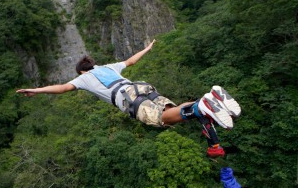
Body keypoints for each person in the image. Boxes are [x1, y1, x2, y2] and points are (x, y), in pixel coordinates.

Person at [16, 40, 241, 157]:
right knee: (170, 109)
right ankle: (206, 101)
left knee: (162, 119)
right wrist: (147, 48)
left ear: (82, 71)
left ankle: (202, 107)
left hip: (128, 98)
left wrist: (36, 90)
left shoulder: (85, 77)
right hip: (140, 87)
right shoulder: (108, 67)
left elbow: (63, 88)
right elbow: (131, 61)